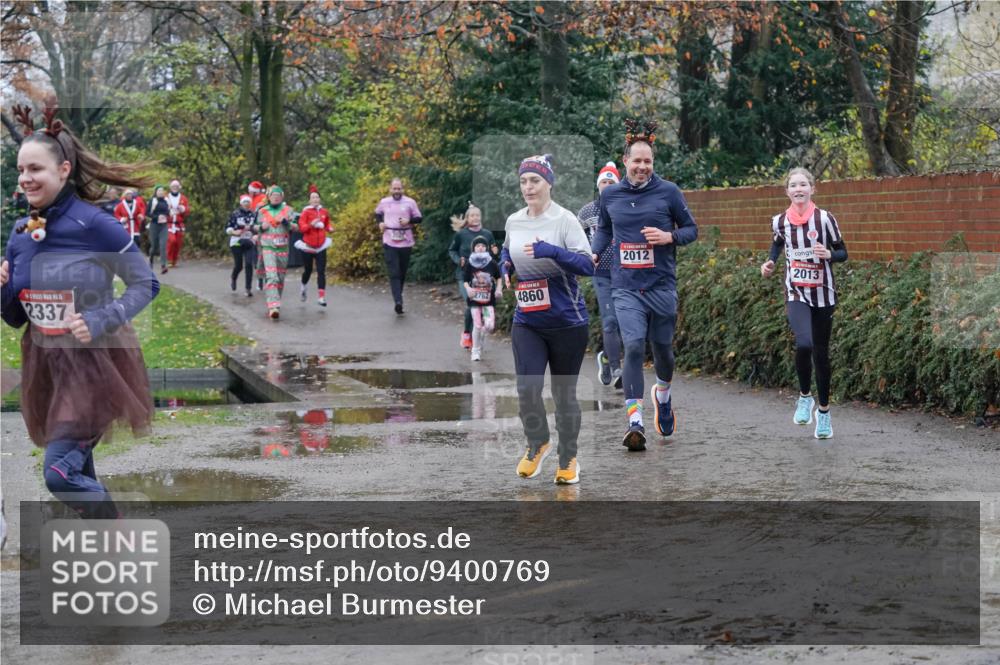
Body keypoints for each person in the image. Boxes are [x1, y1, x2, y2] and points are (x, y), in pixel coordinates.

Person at [1, 102, 159, 519]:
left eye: (35, 169)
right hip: (46, 366)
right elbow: (17, 317)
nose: (25, 178)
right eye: (21, 170)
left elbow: (147, 283)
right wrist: (1, 290)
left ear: (64, 170)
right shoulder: (20, 234)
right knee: (77, 465)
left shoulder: (96, 224)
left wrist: (99, 318)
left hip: (96, 365)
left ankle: (118, 535)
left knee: (59, 473)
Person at [591, 119, 698, 452]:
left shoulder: (669, 192)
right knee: (634, 346)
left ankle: (662, 396)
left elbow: (692, 230)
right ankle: (634, 421)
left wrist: (669, 236)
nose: (641, 167)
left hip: (661, 284)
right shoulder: (611, 195)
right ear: (625, 161)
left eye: (647, 162)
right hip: (625, 286)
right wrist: (594, 252)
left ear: (653, 164)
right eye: (636, 161)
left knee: (663, 349)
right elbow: (606, 230)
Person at [502, 154, 594, 485]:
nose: (528, 187)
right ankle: (537, 442)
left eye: (535, 180)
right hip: (528, 321)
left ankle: (568, 458)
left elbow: (587, 265)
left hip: (567, 322)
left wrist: (552, 252)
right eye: (524, 181)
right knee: (527, 388)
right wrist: (505, 268)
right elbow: (506, 251)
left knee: (564, 394)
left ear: (549, 183)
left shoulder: (564, 221)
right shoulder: (514, 220)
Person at [760, 167, 848, 439]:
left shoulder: (825, 219)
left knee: (821, 354)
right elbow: (777, 244)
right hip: (796, 291)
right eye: (793, 186)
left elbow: (843, 251)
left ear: (812, 188)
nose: (798, 189)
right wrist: (771, 262)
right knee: (804, 344)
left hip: (823, 293)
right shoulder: (779, 221)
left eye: (803, 185)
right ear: (787, 191)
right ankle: (804, 396)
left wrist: (829, 255)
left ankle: (823, 413)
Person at [577, 161, 623, 389]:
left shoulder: (625, 207)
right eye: (603, 182)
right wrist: (587, 253)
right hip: (601, 273)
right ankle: (616, 367)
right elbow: (576, 236)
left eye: (611, 182)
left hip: (625, 273)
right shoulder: (588, 211)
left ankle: (605, 357)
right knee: (610, 321)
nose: (607, 185)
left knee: (626, 322)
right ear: (598, 186)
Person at [449, 203, 498, 350]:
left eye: (477, 215)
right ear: (468, 218)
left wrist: (496, 255)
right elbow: (452, 250)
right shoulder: (461, 235)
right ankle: (466, 334)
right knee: (472, 304)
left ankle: (479, 334)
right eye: (472, 215)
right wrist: (459, 260)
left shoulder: (487, 234)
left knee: (483, 305)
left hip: (484, 277)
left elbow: (493, 251)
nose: (475, 217)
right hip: (465, 276)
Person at [374, 178, 422, 314]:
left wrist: (409, 220)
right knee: (394, 272)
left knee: (402, 272)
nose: (396, 191)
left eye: (399, 188)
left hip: (406, 240)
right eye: (394, 189)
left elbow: (419, 218)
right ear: (390, 189)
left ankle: (398, 297)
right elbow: (377, 213)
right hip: (389, 239)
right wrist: (380, 223)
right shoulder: (384, 202)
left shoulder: (410, 202)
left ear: (402, 189)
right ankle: (398, 301)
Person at [256, 185, 294, 319]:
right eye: (273, 195)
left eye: (278, 195)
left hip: (283, 248)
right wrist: (261, 227)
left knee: (280, 278)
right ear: (269, 197)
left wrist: (286, 223)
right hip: (268, 247)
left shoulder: (288, 210)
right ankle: (273, 306)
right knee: (272, 276)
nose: (276, 197)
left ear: (282, 197)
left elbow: (296, 227)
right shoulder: (262, 211)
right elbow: (254, 227)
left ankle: (275, 303)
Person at [462, 235, 502, 361]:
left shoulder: (492, 263)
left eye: (483, 246)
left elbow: (499, 277)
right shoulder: (470, 263)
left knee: (489, 326)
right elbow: (465, 280)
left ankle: (480, 338)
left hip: (488, 301)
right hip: (474, 300)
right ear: (474, 248)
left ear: (486, 248)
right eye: (478, 246)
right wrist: (468, 289)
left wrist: (499, 289)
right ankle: (475, 350)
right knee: (477, 325)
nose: (480, 248)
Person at [295, 185, 333, 307]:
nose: (315, 199)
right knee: (308, 270)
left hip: (321, 246)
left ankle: (321, 298)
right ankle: (303, 287)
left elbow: (327, 225)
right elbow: (302, 229)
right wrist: (311, 224)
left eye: (317, 197)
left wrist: (330, 229)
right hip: (308, 246)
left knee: (321, 271)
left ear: (320, 199)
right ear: (309, 200)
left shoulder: (324, 212)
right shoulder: (305, 213)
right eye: (313, 197)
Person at [226, 194, 258, 297]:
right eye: (245, 202)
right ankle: (233, 277)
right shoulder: (235, 214)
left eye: (248, 202)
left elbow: (257, 227)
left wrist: (257, 235)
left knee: (249, 264)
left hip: (249, 241)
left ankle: (248, 288)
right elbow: (228, 228)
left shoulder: (254, 214)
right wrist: (234, 232)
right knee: (239, 265)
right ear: (241, 203)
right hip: (237, 241)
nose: (246, 204)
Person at [146, 184, 170, 274]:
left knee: (163, 245)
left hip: (164, 225)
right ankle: (150, 261)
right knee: (154, 246)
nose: (161, 192)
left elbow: (168, 211)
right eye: (159, 191)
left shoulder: (167, 201)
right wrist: (157, 217)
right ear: (156, 192)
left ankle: (163, 266)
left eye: (162, 190)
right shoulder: (152, 201)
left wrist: (166, 215)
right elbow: (147, 213)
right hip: (154, 225)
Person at [165, 179, 189, 268]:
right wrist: (167, 212)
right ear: (170, 187)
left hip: (179, 224)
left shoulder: (183, 198)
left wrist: (183, 209)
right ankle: (169, 260)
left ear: (179, 187)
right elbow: (160, 209)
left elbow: (187, 211)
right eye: (173, 186)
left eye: (176, 186)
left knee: (178, 243)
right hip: (169, 223)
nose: (174, 188)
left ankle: (174, 260)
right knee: (171, 241)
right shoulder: (166, 198)